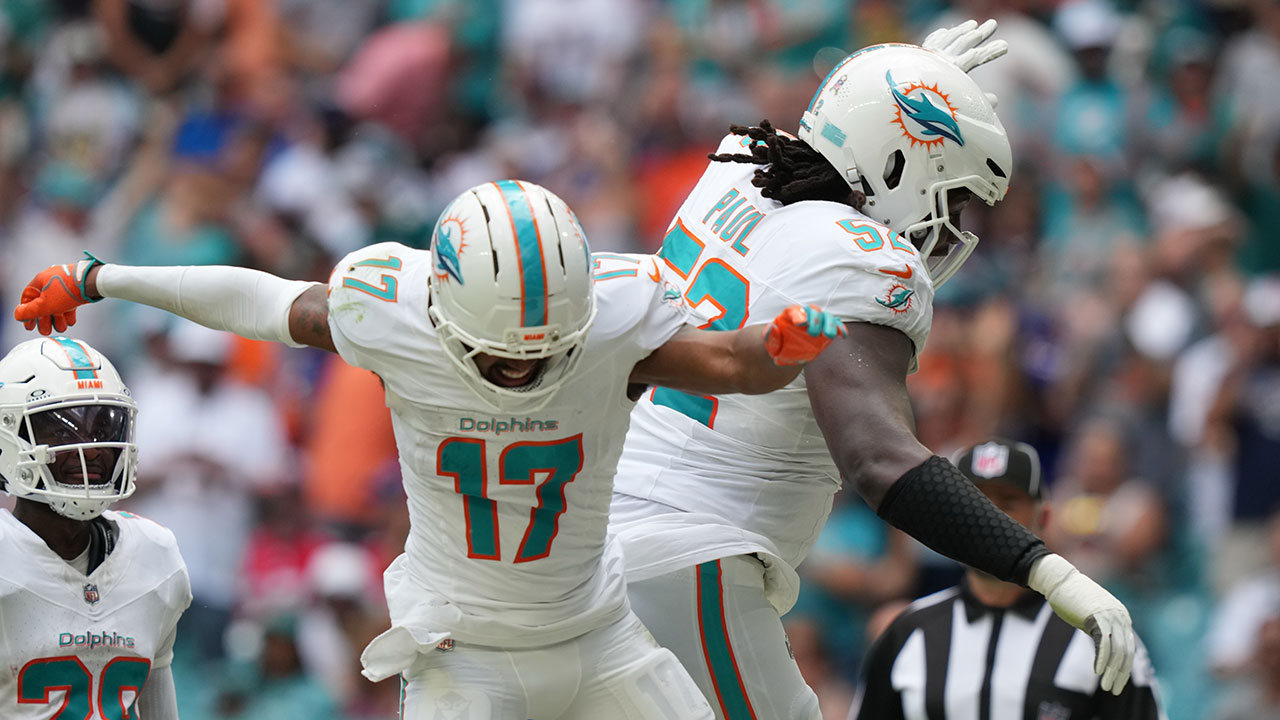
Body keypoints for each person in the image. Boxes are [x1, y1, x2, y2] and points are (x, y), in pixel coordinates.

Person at [13, 180, 845, 719]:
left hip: (599, 632)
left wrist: (778, 352)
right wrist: (101, 279)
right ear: (441, 310)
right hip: (465, 657)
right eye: (500, 352)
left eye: (544, 349)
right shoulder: (393, 311)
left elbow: (730, 361)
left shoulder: (615, 317)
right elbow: (261, 300)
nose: (521, 367)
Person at [608, 23, 1136, 719]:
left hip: (597, 532)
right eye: (952, 198)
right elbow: (878, 458)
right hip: (688, 557)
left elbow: (824, 154)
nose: (948, 228)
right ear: (895, 167)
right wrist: (1043, 566)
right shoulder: (863, 262)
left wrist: (903, 83)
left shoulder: (739, 164)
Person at [849, 439, 1165, 720]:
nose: (989, 520)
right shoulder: (907, 631)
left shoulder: (1096, 635)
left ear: (1044, 518)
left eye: (1008, 503)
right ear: (945, 520)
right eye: (974, 503)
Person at [0, 336, 191, 718]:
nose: (94, 447)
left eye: (105, 426)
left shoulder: (155, 555)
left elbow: (157, 702)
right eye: (64, 430)